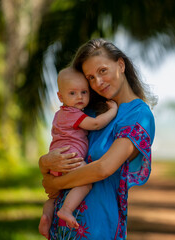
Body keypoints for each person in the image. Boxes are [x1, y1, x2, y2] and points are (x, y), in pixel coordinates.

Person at [39, 38, 156, 240]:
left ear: (120, 64)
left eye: (102, 71)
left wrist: (55, 184)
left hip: (97, 225)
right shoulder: (89, 111)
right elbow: (62, 147)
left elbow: (104, 168)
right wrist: (44, 163)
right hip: (63, 222)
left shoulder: (138, 115)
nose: (98, 83)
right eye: (90, 77)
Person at [38, 67, 118, 239]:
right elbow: (96, 124)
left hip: (57, 161)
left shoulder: (59, 115)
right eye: (72, 93)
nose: (80, 97)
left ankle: (46, 216)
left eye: (84, 92)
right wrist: (112, 111)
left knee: (53, 197)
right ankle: (66, 210)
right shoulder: (73, 114)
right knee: (85, 183)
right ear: (61, 97)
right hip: (71, 158)